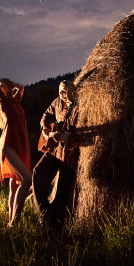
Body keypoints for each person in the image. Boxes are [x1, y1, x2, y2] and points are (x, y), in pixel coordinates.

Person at [32, 80, 80, 228]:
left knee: (61, 194)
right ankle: (45, 215)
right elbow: (45, 114)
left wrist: (67, 137)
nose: (61, 93)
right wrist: (45, 129)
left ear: (72, 91)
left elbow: (83, 134)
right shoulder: (57, 102)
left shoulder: (80, 108)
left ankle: (54, 227)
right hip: (53, 149)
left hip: (69, 155)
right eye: (60, 90)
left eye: (64, 90)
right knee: (37, 174)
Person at [0, 76, 32, 227]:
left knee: (15, 187)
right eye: (1, 88)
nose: (3, 89)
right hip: (9, 144)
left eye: (5, 87)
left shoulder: (15, 101)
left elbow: (22, 86)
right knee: (27, 179)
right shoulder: (3, 103)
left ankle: (10, 222)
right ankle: (14, 223)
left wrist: (11, 86)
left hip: (20, 144)